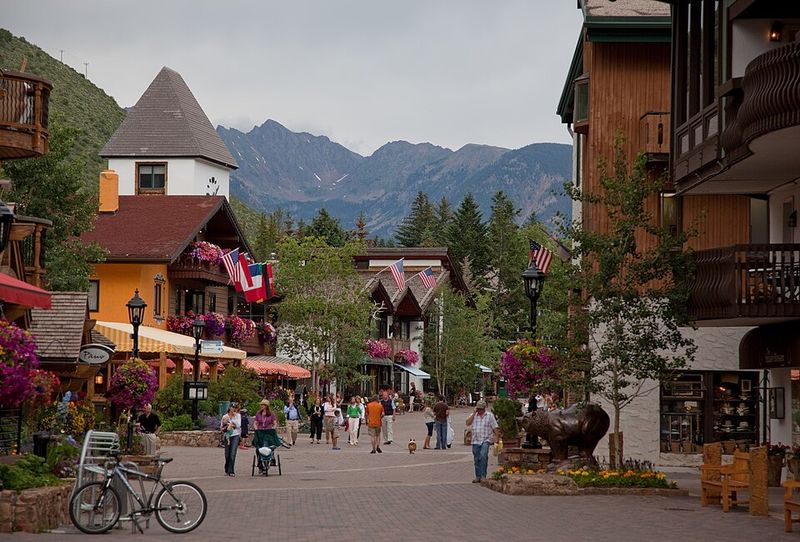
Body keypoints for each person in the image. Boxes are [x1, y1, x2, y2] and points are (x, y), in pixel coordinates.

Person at [465, 400, 498, 483]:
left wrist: (496, 438)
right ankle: (478, 476)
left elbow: (495, 427)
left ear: (484, 408)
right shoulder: (474, 415)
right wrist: (473, 414)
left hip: (486, 439)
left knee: (483, 456)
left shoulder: (489, 416)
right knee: (476, 459)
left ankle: (483, 475)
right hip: (475, 440)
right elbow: (467, 423)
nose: (479, 410)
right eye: (478, 409)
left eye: (481, 409)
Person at [221, 403, 242, 476]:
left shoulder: (238, 416)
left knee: (233, 453)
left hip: (235, 435)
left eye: (235, 408)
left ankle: (231, 470)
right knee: (227, 454)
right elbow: (222, 427)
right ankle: (227, 468)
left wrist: (232, 420)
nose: (234, 409)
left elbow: (238, 426)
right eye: (232, 407)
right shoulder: (225, 416)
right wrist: (226, 424)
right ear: (229, 408)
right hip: (227, 436)